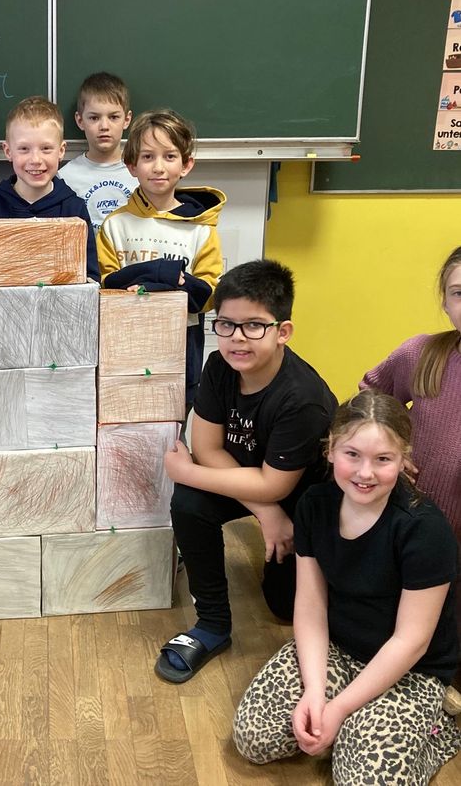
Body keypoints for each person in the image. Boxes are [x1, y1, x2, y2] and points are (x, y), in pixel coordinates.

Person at [233, 390, 460, 783]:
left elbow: (412, 641)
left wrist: (337, 710)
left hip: (409, 669)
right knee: (254, 738)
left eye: (383, 459)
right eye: (352, 454)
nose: (365, 473)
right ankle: (357, 724)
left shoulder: (424, 529)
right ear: (330, 450)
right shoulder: (314, 505)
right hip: (339, 648)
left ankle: (438, 728)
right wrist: (316, 691)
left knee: (362, 780)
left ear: (404, 459)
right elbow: (310, 604)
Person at [158, 259, 337, 682]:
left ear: (283, 332)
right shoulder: (221, 365)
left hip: (303, 499)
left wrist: (185, 472)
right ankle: (213, 625)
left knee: (281, 608)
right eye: (226, 324)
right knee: (190, 504)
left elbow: (276, 483)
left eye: (254, 326)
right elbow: (205, 446)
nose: (237, 338)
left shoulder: (302, 398)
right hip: (254, 484)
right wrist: (264, 511)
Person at [97, 109, 225, 411]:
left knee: (171, 432)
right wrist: (169, 277)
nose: (158, 167)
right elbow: (104, 286)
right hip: (125, 345)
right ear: (131, 165)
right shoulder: (115, 225)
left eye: (169, 157)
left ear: (186, 165)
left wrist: (145, 281)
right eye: (147, 157)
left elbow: (207, 295)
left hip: (180, 347)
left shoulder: (201, 228)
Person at [360, 246, 461, 540]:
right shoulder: (420, 354)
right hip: (408, 524)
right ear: (445, 302)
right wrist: (389, 451)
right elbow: (371, 395)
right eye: (459, 293)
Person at [0, 96, 99, 282]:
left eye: (46, 148)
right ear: (8, 151)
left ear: (61, 151)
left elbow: (90, 277)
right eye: (24, 149)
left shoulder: (74, 210)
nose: (35, 159)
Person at [60, 72, 135, 233]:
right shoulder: (65, 178)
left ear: (126, 120)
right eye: (94, 118)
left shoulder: (141, 173)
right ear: (80, 121)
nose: (104, 126)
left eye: (114, 117)